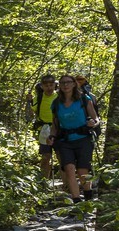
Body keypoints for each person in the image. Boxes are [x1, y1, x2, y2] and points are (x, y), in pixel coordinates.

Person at [51, 74, 100, 205]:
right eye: (62, 83)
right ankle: (77, 201)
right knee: (69, 169)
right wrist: (52, 136)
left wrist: (92, 123)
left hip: (83, 138)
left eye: (68, 82)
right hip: (65, 140)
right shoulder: (56, 103)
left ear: (74, 84)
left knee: (83, 171)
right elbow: (55, 124)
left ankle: (88, 196)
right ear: (59, 86)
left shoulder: (84, 99)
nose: (65, 85)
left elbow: (95, 118)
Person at [28, 75, 59, 182]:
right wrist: (29, 102)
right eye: (46, 85)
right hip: (45, 129)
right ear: (42, 86)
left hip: (60, 130)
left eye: (51, 85)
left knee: (62, 158)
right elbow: (30, 113)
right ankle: (44, 182)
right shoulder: (39, 98)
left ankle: (66, 186)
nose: (49, 88)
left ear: (55, 85)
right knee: (45, 157)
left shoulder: (60, 97)